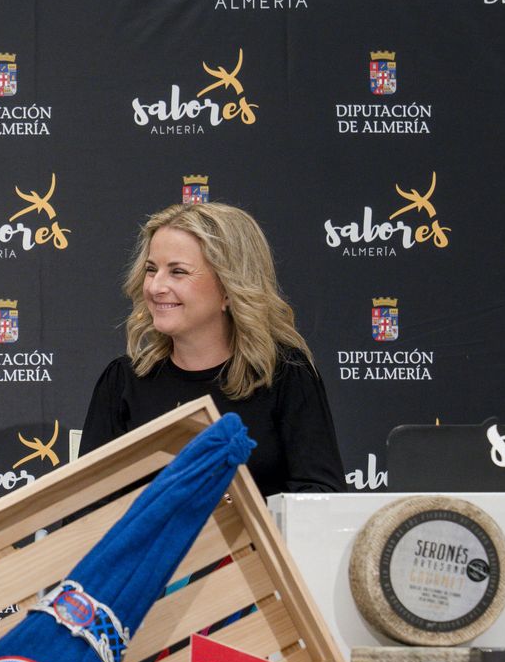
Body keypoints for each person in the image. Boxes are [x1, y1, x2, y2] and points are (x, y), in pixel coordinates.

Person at [79, 201, 343, 496]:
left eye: (178, 272)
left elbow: (319, 498)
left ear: (229, 289)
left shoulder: (285, 375)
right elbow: (86, 509)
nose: (155, 287)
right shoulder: (122, 381)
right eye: (152, 269)